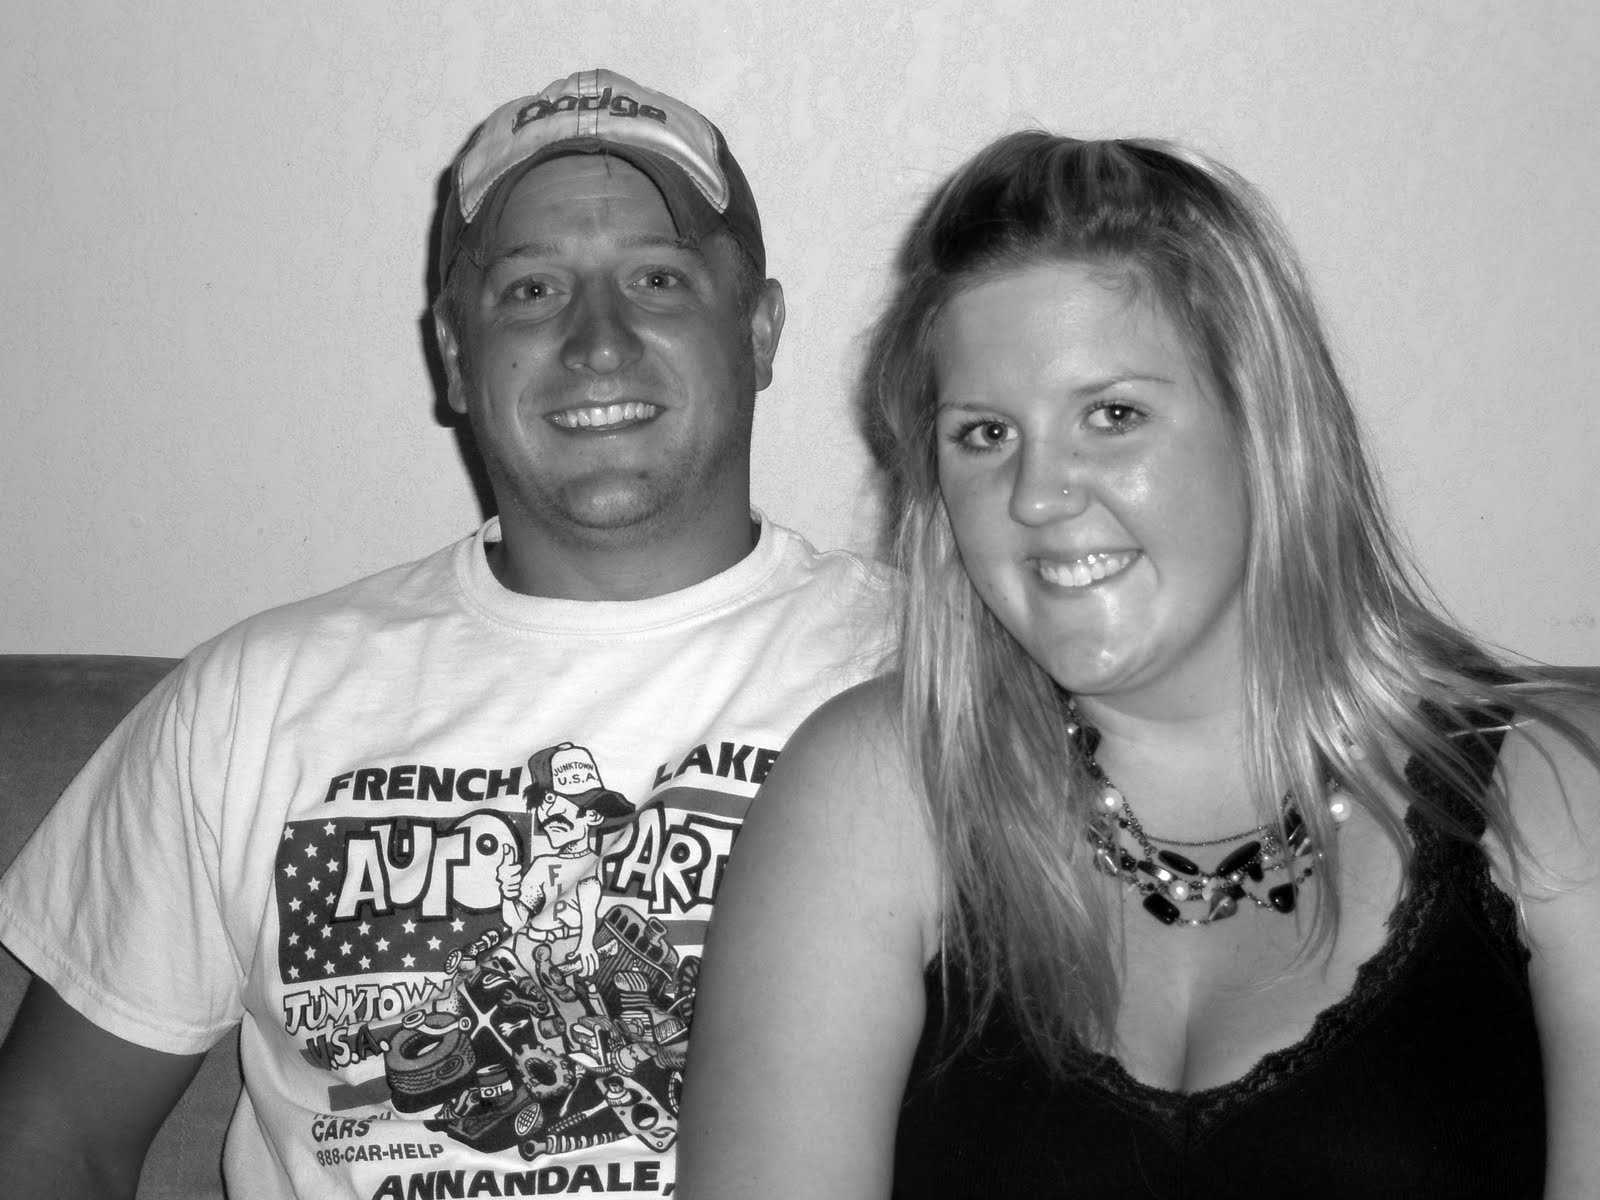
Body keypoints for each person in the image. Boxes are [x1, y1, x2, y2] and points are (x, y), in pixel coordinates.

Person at [0, 69, 892, 1198]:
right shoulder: (253, 701)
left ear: (758, 331)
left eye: (658, 279)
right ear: (458, 357)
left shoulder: (935, 674)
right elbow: (53, 1137)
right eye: (532, 289)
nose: (598, 341)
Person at [677, 131, 1600, 1199]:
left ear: (1269, 429)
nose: (1036, 496)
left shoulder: (1558, 793)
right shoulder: (874, 793)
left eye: (1112, 416)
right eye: (983, 435)